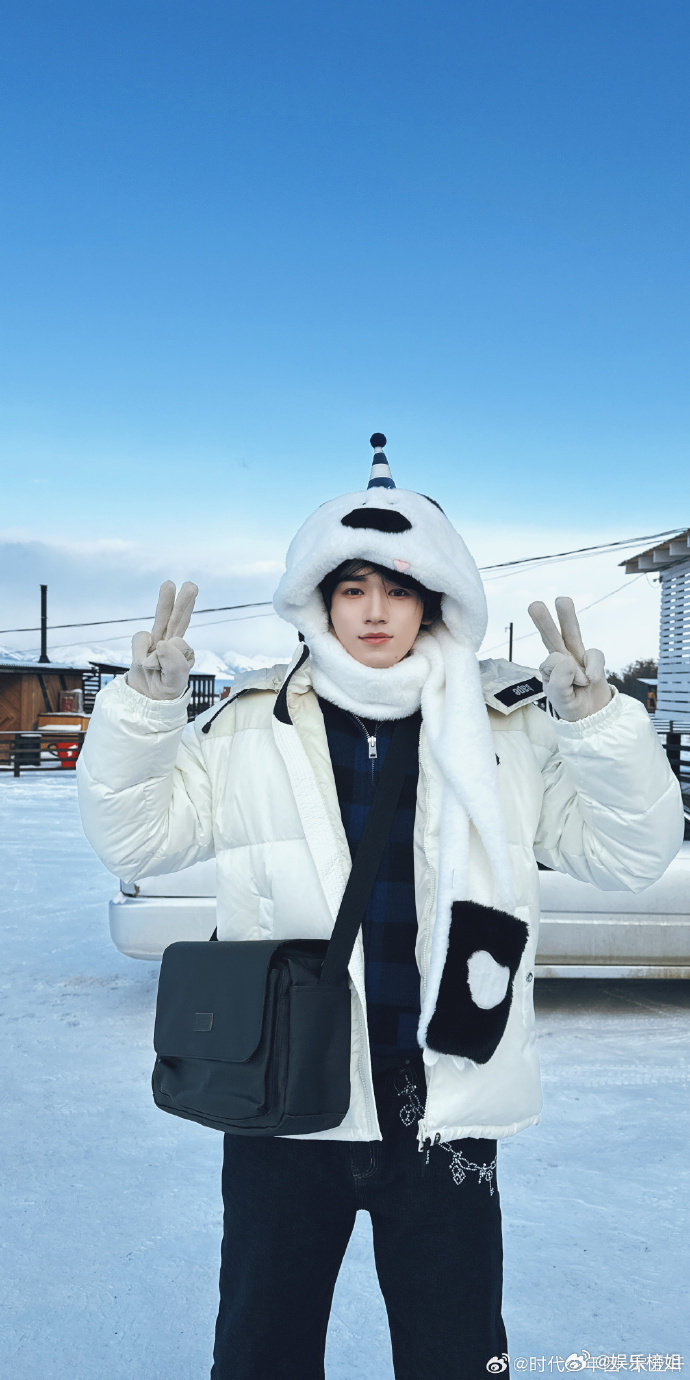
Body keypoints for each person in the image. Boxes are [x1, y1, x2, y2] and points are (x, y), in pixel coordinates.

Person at [76, 435, 684, 1379]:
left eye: (397, 590)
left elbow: (632, 852)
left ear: (432, 602)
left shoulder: (508, 729)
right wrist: (143, 718)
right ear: (319, 601)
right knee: (263, 1352)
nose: (373, 611)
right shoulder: (250, 726)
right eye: (352, 588)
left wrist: (599, 725)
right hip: (287, 1097)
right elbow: (136, 840)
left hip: (442, 1098)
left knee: (455, 1355)